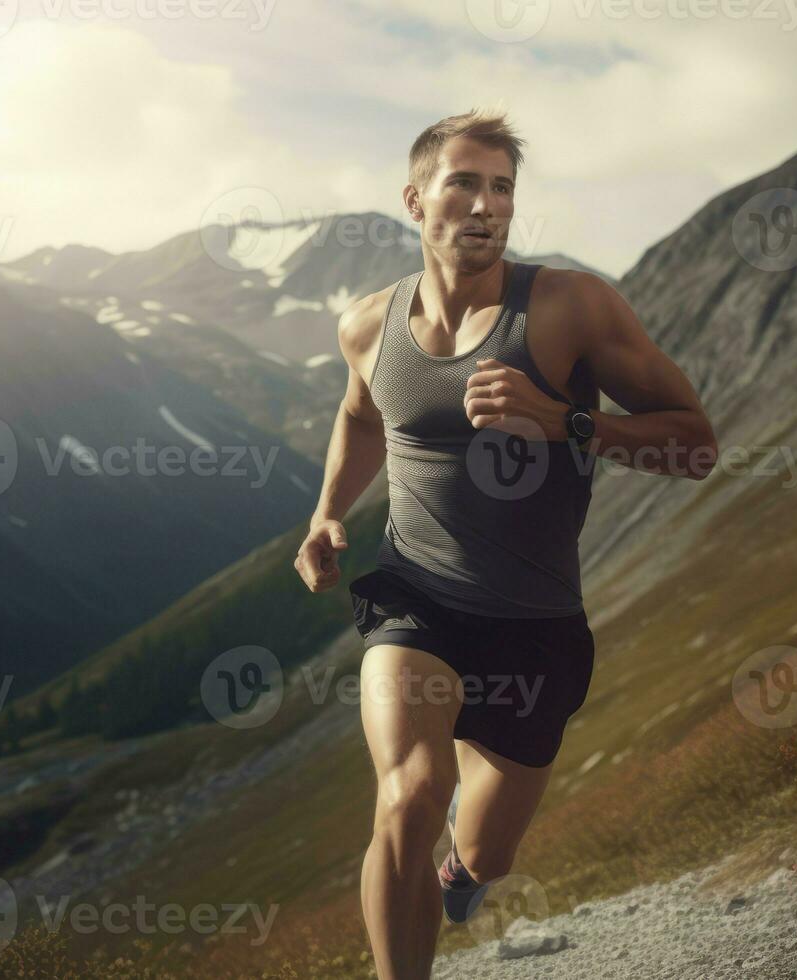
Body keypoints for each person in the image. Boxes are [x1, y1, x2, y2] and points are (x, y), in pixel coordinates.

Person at [292, 107, 716, 980]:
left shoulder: (569, 308)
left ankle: (462, 870)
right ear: (416, 200)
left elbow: (695, 444)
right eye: (465, 184)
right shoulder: (368, 325)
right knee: (408, 795)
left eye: (503, 188)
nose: (486, 206)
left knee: (486, 854)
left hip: (536, 625)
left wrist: (565, 421)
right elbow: (361, 415)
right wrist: (327, 511)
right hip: (417, 602)